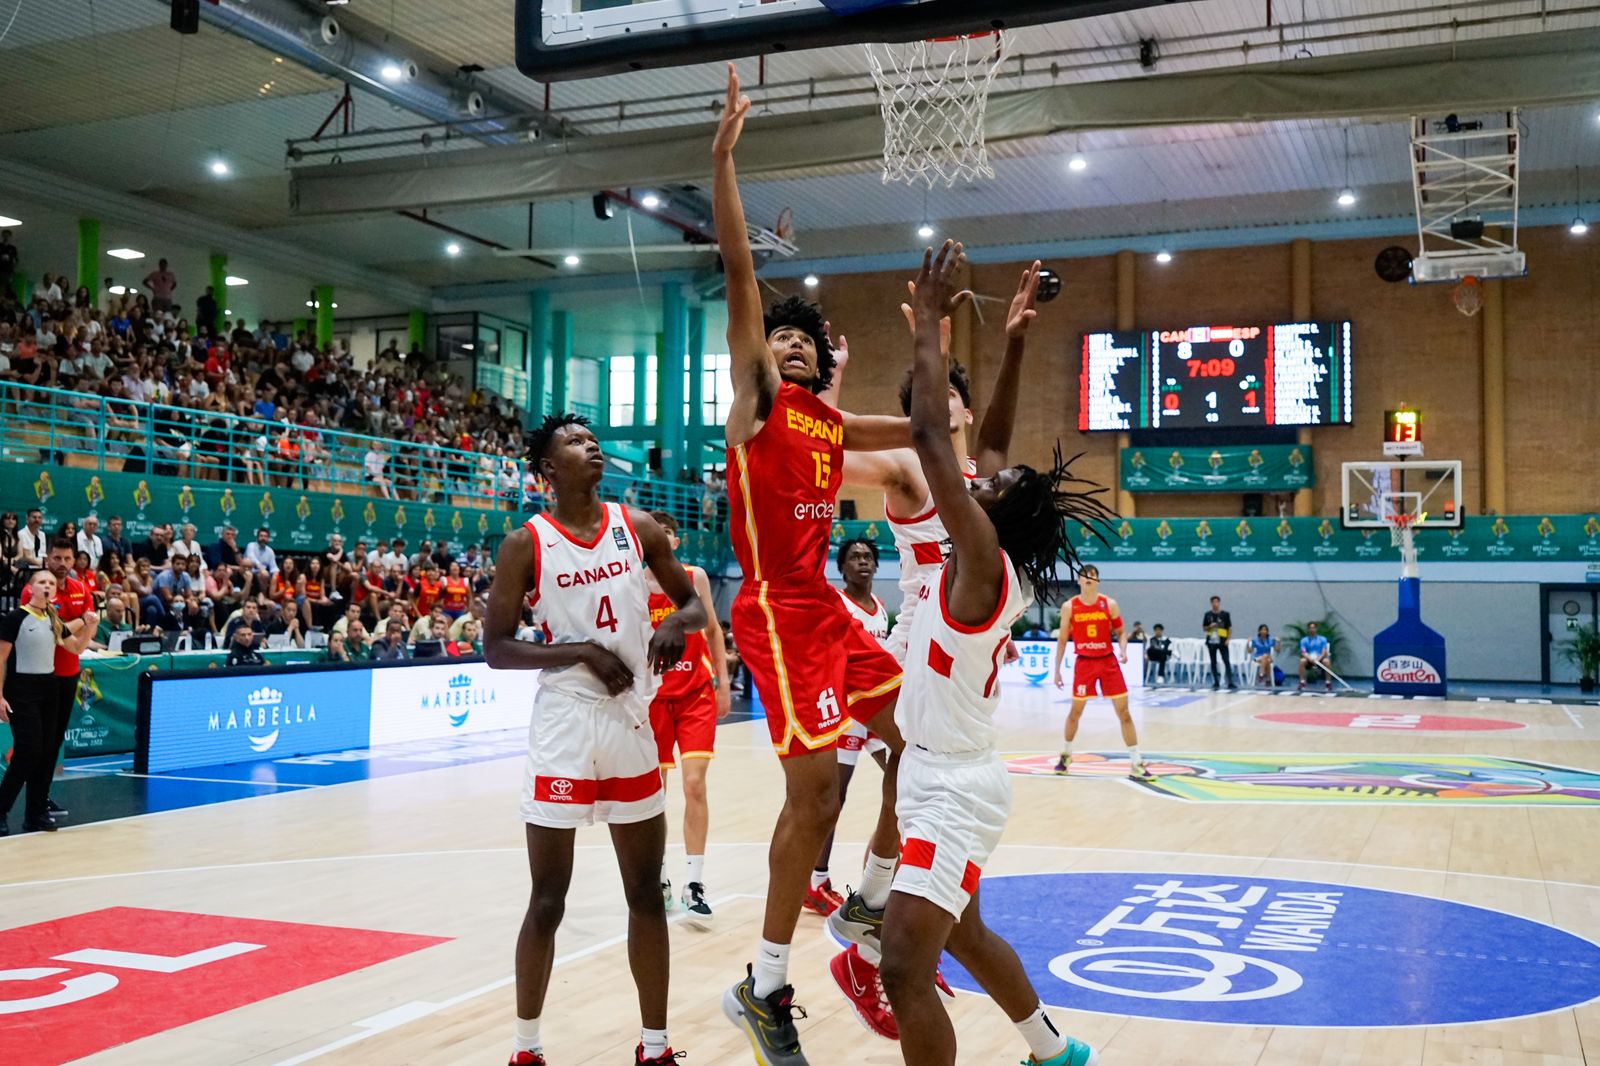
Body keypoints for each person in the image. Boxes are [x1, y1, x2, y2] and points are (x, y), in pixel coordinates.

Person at [713, 66, 912, 1064]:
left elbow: (926, 425)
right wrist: (724, 161)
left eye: (802, 339)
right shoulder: (755, 407)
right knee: (813, 798)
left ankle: (866, 911)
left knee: (914, 739)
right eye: (777, 338)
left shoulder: (830, 416)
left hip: (826, 607)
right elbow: (745, 279)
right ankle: (763, 981)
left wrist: (952, 342)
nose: (786, 344)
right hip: (774, 613)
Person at [872, 241, 1099, 1066]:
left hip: (950, 787)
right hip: (952, 769)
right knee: (964, 935)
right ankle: (1054, 1051)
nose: (981, 478)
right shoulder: (992, 551)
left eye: (989, 488)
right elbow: (984, 447)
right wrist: (1011, 345)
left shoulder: (977, 563)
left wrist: (930, 326)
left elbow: (936, 434)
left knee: (903, 964)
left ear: (994, 518)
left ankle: (863, 906)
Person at [484, 412, 706, 1066]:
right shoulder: (526, 544)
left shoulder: (635, 526)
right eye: (577, 442)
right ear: (548, 469)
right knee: (548, 900)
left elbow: (690, 603)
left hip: (631, 720)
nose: (593, 447)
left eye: (595, 439)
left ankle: (656, 1048)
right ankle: (526, 1050)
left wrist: (678, 627)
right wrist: (577, 650)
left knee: (645, 893)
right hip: (566, 723)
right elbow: (495, 649)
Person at [643, 511, 730, 928]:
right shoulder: (630, 584)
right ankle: (657, 878)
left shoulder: (694, 577)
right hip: (653, 699)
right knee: (652, 796)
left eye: (669, 532)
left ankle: (694, 884)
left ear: (676, 541)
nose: (662, 538)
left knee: (694, 785)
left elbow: (713, 631)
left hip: (696, 693)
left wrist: (724, 684)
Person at [806, 537, 893, 919]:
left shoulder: (882, 609)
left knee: (906, 783)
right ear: (841, 568)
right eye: (854, 557)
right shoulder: (835, 603)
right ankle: (815, 882)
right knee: (833, 799)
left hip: (875, 713)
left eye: (868, 556)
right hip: (845, 712)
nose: (862, 561)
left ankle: (884, 875)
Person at [0, 568, 95, 834]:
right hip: (21, 689)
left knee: (45, 753)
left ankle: (35, 813)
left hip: (49, 688)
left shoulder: (54, 619)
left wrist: (90, 626)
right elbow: (1, 659)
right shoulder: (15, 618)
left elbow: (75, 647)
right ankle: (1, 809)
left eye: (51, 583)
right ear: (30, 588)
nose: (46, 586)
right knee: (28, 750)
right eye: (41, 581)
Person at [1052, 565, 1150, 780]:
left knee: (1124, 713)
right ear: (1078, 581)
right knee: (1075, 713)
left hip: (1108, 662)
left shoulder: (1109, 604)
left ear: (1097, 581)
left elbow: (1121, 632)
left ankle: (1136, 762)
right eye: (1084, 575)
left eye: (1093, 575)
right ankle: (1066, 754)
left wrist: (1123, 649)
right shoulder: (1070, 607)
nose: (1088, 578)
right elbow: (1062, 640)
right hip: (1084, 663)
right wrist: (1057, 670)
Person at [46, 537, 94, 820]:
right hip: (41, 675)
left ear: (73, 560)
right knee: (39, 742)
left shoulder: (82, 588)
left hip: (70, 673)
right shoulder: (37, 591)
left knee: (54, 741)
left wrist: (72, 628)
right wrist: (76, 624)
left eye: (67, 559)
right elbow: (54, 632)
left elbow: (81, 639)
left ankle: (42, 796)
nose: (62, 564)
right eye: (57, 558)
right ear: (47, 558)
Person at [1203, 594, 1235, 690]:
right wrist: (1210, 627)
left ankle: (1230, 682)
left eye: (1217, 602)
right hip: (1211, 640)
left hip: (1222, 640)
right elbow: (1204, 628)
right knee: (1213, 662)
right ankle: (1216, 682)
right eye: (1213, 602)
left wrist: (1228, 639)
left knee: (1226, 661)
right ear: (1211, 603)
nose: (1215, 604)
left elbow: (1229, 628)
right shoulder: (1207, 615)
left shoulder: (1225, 614)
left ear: (1219, 603)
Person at [1298, 620, 1332, 692]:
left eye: (1313, 628)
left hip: (1320, 659)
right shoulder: (1304, 640)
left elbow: (1324, 651)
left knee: (1327, 661)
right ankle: (1302, 682)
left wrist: (1318, 659)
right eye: (1310, 628)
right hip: (1309, 659)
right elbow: (1303, 652)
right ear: (1308, 629)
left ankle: (1328, 683)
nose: (1312, 629)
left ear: (1316, 629)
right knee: (1302, 661)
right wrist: (1310, 658)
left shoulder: (1322, 639)